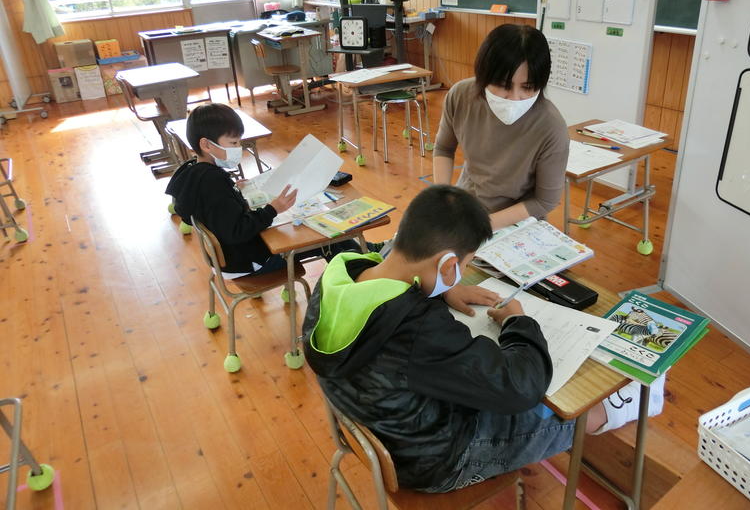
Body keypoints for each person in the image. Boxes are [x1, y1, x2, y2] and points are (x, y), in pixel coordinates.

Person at [302, 185, 664, 492]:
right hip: (433, 459)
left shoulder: (341, 276)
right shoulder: (417, 330)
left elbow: (390, 279)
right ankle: (628, 404)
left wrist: (444, 289)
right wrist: (519, 323)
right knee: (577, 411)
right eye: (461, 266)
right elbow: (520, 387)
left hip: (383, 424)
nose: (459, 274)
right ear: (447, 264)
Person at [166, 103, 357, 277]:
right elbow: (237, 231)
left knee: (328, 238)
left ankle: (364, 257)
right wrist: (273, 209)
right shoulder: (213, 182)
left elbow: (217, 210)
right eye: (233, 143)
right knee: (328, 239)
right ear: (206, 144)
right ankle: (362, 271)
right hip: (249, 262)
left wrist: (234, 190)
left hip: (232, 258)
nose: (238, 148)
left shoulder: (194, 172)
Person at [433, 24, 570, 230]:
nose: (514, 98)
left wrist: (482, 226)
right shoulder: (461, 96)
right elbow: (444, 148)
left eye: (528, 87)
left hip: (517, 221)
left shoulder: (551, 127)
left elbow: (545, 201)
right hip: (467, 205)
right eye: (503, 85)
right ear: (484, 75)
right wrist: (441, 198)